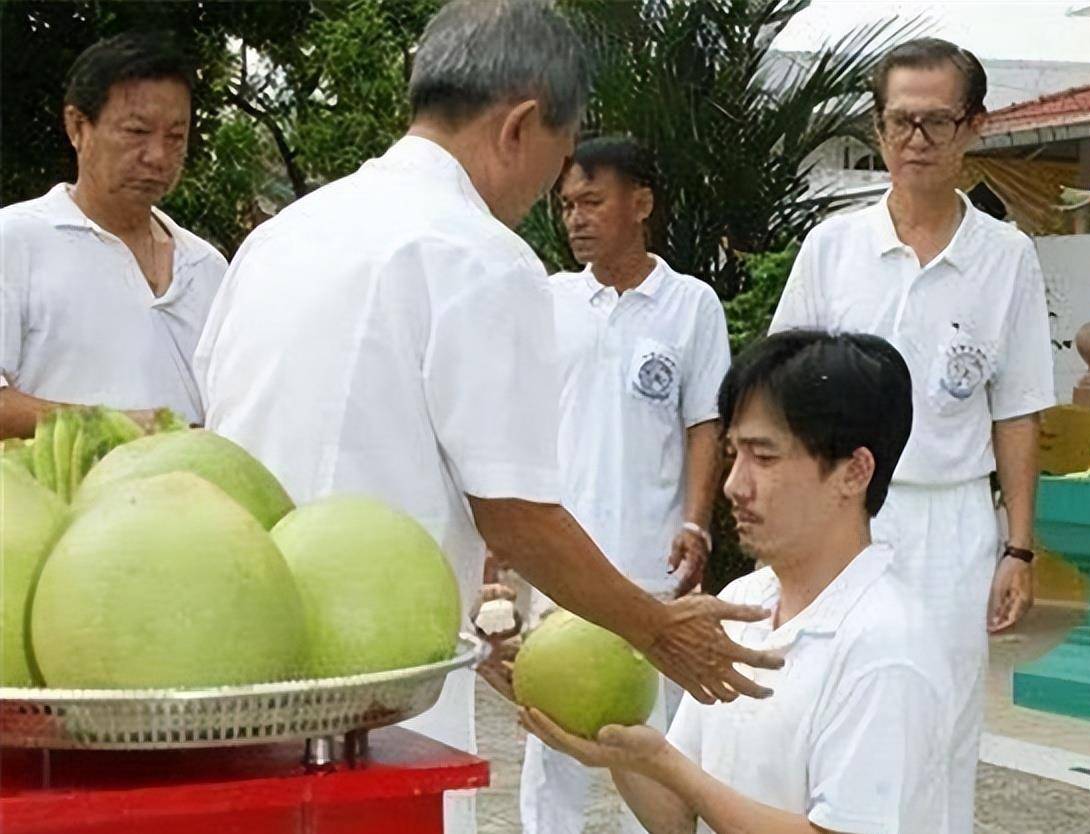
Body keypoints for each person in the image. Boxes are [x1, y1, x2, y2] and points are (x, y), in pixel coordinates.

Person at [192, 2, 779, 831]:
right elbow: (516, 512)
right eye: (558, 160)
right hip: (372, 678)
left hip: (236, 654)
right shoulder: (479, 255)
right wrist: (656, 627)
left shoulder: (283, 236)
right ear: (522, 126)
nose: (551, 195)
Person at [768, 38, 1055, 831]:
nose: (917, 142)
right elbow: (783, 388)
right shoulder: (834, 248)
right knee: (823, 702)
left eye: (937, 122)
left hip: (954, 521)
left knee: (944, 721)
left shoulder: (1006, 258)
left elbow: (1018, 411)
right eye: (901, 122)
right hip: (842, 518)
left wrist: (1018, 548)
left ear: (973, 128)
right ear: (877, 126)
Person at [522, 329, 953, 834]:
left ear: (854, 472)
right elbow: (677, 817)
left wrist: (665, 764)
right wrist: (608, 735)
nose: (734, 485)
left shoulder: (886, 647)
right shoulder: (741, 605)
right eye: (734, 455)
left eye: (764, 458)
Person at [520, 136, 730, 834]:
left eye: (592, 201)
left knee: (653, 738)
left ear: (640, 203)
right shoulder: (546, 300)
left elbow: (705, 422)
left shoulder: (691, 305)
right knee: (550, 738)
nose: (575, 218)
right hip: (560, 555)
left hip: (651, 560)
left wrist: (696, 522)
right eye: (567, 204)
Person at [0, 32, 227, 437]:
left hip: (190, 495)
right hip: (57, 499)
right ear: (77, 126)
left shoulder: (208, 267)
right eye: (137, 132)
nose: (158, 156)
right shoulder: (15, 240)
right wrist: (123, 429)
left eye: (175, 137)